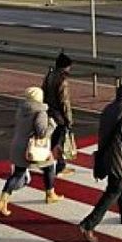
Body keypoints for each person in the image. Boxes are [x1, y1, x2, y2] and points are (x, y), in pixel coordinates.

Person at [79, 83, 122, 242]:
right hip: (119, 158)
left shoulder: (107, 109)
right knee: (113, 190)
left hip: (107, 156)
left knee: (120, 183)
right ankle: (89, 224)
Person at [0, 86, 59, 216]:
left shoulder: (21, 110)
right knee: (50, 166)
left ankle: (3, 200)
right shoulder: (40, 113)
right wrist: (52, 124)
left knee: (18, 173)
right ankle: (50, 194)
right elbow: (42, 134)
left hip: (17, 145)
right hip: (32, 149)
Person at [41, 51, 75, 179]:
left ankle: (55, 164)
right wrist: (69, 120)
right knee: (58, 142)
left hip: (48, 112)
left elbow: (43, 92)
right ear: (65, 66)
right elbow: (64, 102)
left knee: (52, 140)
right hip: (59, 116)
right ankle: (58, 166)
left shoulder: (49, 75)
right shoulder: (62, 80)